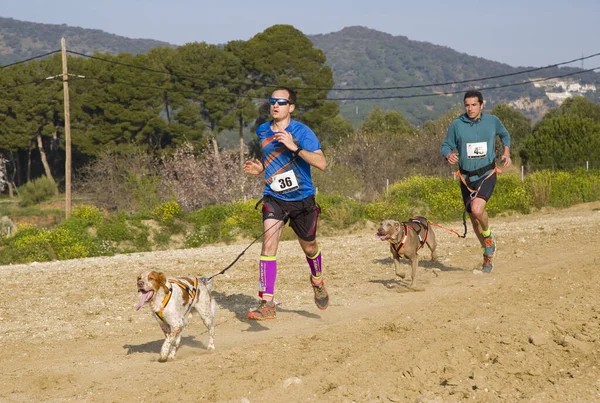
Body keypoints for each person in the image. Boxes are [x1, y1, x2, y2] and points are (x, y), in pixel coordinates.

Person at [243, 86, 328, 320]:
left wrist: (295, 147)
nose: (275, 105)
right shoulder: (263, 130)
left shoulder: (303, 132)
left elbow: (321, 163)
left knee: (309, 247)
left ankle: (317, 280)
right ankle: (267, 303)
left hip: (302, 200)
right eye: (272, 101)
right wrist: (261, 168)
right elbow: (271, 161)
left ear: (291, 107)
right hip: (274, 198)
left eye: (281, 102)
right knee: (268, 246)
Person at [441, 90, 511, 273]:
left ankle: (488, 237)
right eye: (467, 105)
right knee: (474, 220)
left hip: (487, 173)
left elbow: (505, 135)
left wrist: (506, 152)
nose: (470, 108)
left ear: (482, 104)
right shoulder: (457, 124)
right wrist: (448, 154)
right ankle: (487, 255)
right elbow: (446, 145)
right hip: (466, 178)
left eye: (474, 104)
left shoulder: (492, 121)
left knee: (477, 209)